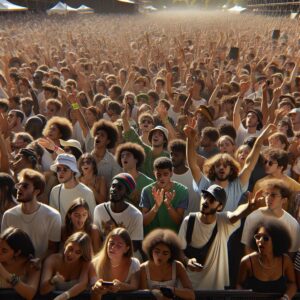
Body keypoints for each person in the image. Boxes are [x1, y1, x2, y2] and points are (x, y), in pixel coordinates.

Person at [179, 184, 260, 290]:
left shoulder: (223, 221)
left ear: (220, 206)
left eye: (212, 199)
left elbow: (236, 214)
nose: (206, 201)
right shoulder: (189, 221)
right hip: (189, 287)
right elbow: (178, 250)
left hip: (213, 288)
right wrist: (187, 261)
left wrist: (248, 208)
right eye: (205, 196)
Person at [1, 168, 61, 259]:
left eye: (25, 186)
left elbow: (52, 249)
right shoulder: (9, 215)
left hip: (40, 267)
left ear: (36, 191)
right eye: (19, 185)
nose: (20, 188)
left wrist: (39, 262)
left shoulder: (53, 216)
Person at [237, 220, 297, 300]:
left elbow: (292, 283)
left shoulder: (285, 261)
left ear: (276, 240)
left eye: (265, 238)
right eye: (257, 237)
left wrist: (285, 298)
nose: (260, 241)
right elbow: (239, 285)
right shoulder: (247, 261)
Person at [241, 181, 300, 254]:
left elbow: (291, 253)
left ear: (284, 200)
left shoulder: (292, 224)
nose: (268, 198)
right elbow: (247, 247)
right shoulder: (253, 217)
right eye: (267, 194)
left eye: (273, 195)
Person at [93, 173, 143, 253]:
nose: (114, 189)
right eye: (113, 186)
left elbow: (134, 246)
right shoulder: (99, 210)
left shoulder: (135, 215)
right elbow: (96, 239)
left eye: (119, 187)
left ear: (127, 193)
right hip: (104, 255)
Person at [140, 229, 195, 300]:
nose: (160, 256)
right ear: (151, 251)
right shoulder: (143, 268)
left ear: (171, 255)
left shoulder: (178, 266)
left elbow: (191, 295)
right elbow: (141, 296)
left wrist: (171, 290)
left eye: (165, 253)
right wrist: (153, 293)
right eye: (157, 252)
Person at [140, 157, 189, 235]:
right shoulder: (146, 191)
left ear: (171, 173)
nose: (162, 178)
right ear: (154, 173)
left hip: (171, 237)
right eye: (158, 174)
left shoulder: (182, 191)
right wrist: (156, 206)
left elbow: (179, 221)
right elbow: (144, 222)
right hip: (151, 237)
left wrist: (169, 206)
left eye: (165, 174)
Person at [40, 232, 93, 300]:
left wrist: (65, 296)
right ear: (65, 245)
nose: (71, 254)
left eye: (77, 252)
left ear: (82, 254)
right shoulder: (52, 260)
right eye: (70, 248)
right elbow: (43, 291)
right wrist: (52, 281)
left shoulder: (85, 263)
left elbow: (82, 284)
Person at [91, 228, 140, 300]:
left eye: (119, 245)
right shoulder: (95, 263)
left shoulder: (134, 264)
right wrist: (97, 289)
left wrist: (120, 286)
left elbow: (135, 286)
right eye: (111, 243)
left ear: (126, 249)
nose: (113, 247)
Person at [49, 153, 96, 221]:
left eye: (65, 169)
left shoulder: (87, 192)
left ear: (73, 171)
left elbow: (93, 220)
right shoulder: (55, 191)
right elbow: (52, 219)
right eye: (58, 169)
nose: (61, 172)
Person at [0, 227, 40, 299]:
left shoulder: (32, 264)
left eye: (4, 251)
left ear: (17, 252)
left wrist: (4, 273)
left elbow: (30, 294)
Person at [115, 142, 154, 208]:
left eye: (128, 155)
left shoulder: (148, 182)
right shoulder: (117, 181)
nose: (124, 157)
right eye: (122, 156)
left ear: (136, 159)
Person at [169, 139, 200, 215]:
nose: (172, 157)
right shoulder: (166, 176)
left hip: (193, 221)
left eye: (176, 155)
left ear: (185, 156)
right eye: (171, 154)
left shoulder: (195, 174)